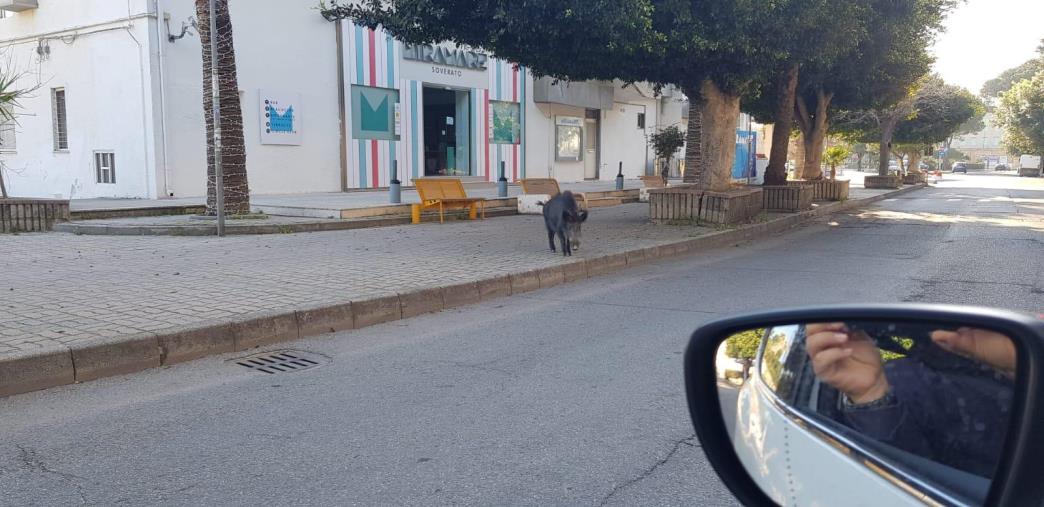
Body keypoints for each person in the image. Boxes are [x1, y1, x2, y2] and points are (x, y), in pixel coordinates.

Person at [805, 322, 1016, 478]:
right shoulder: (908, 383)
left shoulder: (1001, 349)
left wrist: (1019, 361)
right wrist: (871, 394)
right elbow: (911, 476)